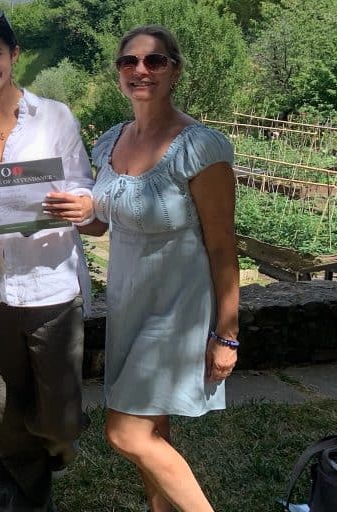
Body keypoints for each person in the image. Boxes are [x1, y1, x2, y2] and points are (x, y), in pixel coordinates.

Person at [0, 9, 98, 512]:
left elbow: (83, 184)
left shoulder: (56, 117)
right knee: (4, 411)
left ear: (15, 55)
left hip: (49, 283)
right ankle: (25, 498)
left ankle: (55, 447)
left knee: (60, 415)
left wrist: (79, 203)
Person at [88, 25, 239, 512]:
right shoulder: (111, 141)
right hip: (128, 304)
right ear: (118, 74)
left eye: (154, 62)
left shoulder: (199, 147)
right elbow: (99, 221)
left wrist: (227, 334)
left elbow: (223, 248)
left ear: (175, 71)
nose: (140, 70)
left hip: (177, 312)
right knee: (153, 429)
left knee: (125, 432)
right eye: (129, 62)